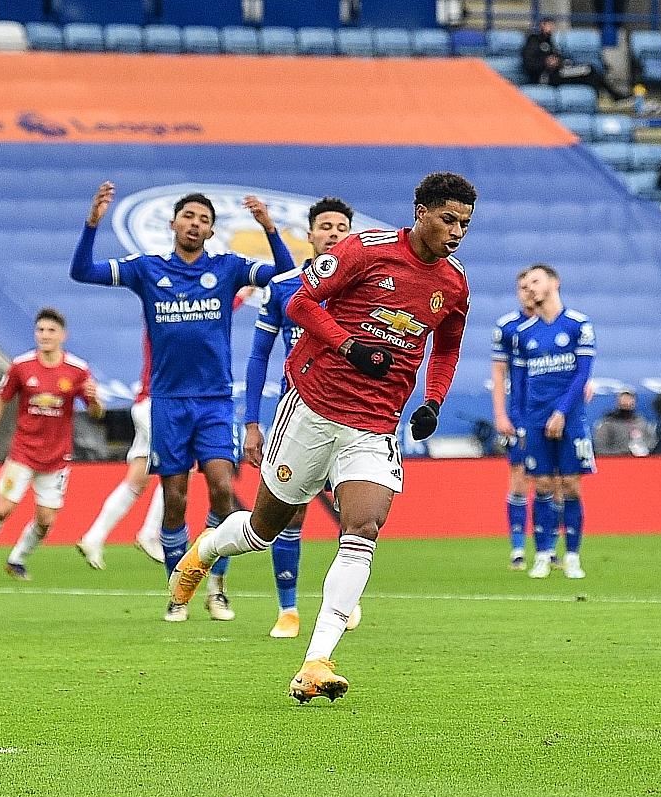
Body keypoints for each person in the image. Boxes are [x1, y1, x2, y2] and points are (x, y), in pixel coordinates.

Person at [167, 171, 476, 703]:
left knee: (364, 528)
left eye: (465, 224)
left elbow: (446, 344)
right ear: (420, 210)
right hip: (313, 408)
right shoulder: (365, 249)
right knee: (263, 531)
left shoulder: (453, 282)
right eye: (448, 219)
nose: (456, 233)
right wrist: (347, 345)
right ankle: (206, 548)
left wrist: (433, 399)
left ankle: (317, 659)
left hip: (375, 425)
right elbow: (300, 304)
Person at [70, 184, 294, 622]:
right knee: (174, 499)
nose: (195, 223)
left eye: (204, 219)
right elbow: (83, 272)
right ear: (173, 224)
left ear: (212, 231)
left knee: (223, 490)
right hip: (167, 403)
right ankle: (179, 591)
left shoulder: (228, 268)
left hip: (213, 401)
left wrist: (269, 229)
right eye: (188, 216)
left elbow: (287, 277)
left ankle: (217, 586)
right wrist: (92, 223)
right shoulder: (147, 269)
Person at [242, 196, 362, 638]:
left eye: (341, 226)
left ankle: (343, 599)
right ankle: (288, 609)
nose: (333, 233)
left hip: (353, 413)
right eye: (325, 226)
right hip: (296, 414)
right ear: (309, 235)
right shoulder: (285, 286)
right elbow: (259, 356)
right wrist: (252, 422)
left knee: (354, 509)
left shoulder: (366, 286)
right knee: (289, 513)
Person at [0, 308, 98, 582]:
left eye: (51, 330)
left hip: (56, 459)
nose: (45, 335)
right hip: (23, 454)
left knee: (45, 520)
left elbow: (96, 413)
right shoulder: (21, 366)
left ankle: (16, 560)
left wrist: (95, 400)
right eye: (40, 330)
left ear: (63, 335)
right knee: (1, 510)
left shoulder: (77, 370)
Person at [511, 265, 594, 581]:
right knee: (543, 485)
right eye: (527, 284)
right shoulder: (523, 334)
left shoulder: (578, 325)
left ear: (554, 283)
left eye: (536, 281)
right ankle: (543, 554)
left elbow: (582, 375)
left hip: (570, 418)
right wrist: (520, 422)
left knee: (571, 486)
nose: (530, 288)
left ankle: (572, 555)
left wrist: (561, 412)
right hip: (534, 420)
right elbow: (517, 385)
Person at [75, 339, 165, 569]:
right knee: (179, 466)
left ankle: (94, 537)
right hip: (157, 405)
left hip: (148, 404)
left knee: (137, 480)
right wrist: (239, 300)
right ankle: (150, 533)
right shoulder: (170, 317)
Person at [492, 277, 538, 570]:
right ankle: (518, 548)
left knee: (556, 482)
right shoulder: (508, 327)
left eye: (532, 286)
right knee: (519, 478)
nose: (527, 292)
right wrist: (500, 414)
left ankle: (549, 548)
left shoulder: (563, 325)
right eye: (522, 288)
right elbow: (498, 374)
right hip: (520, 415)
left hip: (551, 415)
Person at [521, 17, 625, 102]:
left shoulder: (550, 42)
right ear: (542, 25)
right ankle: (611, 97)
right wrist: (546, 63)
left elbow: (558, 57)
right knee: (589, 70)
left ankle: (600, 99)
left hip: (558, 72)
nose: (551, 28)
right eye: (548, 25)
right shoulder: (533, 41)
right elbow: (529, 63)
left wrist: (558, 61)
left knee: (590, 73)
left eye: (552, 25)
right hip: (546, 76)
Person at [594, 388, 653, 456]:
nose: (627, 402)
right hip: (615, 462)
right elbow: (600, 448)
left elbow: (651, 442)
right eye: (624, 400)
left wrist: (642, 450)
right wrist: (625, 453)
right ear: (618, 402)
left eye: (629, 400)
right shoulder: (608, 423)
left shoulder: (641, 422)